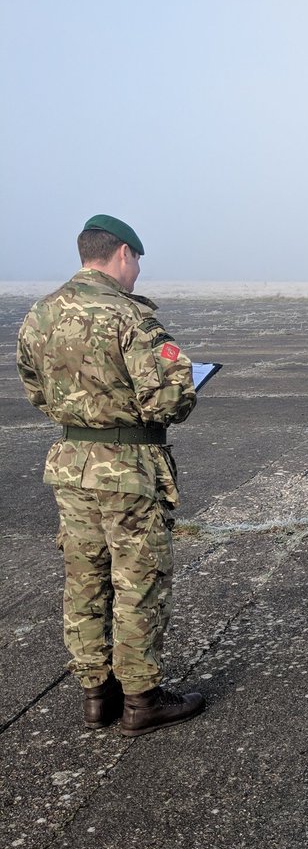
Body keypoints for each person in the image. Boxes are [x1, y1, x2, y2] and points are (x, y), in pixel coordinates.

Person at [16, 215, 206, 736]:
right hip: (129, 471)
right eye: (138, 261)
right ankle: (142, 701)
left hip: (72, 467)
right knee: (138, 582)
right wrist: (185, 382)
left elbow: (36, 392)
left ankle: (96, 695)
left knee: (85, 579)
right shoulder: (130, 318)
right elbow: (169, 401)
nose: (138, 272)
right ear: (123, 254)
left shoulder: (39, 314)